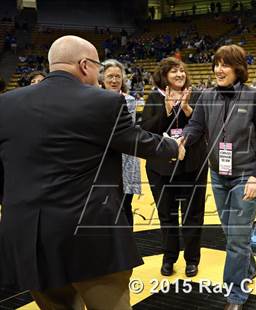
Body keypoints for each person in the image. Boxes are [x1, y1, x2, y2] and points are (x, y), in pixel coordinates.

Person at [0, 35, 184, 310]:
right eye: (98, 68)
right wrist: (173, 147)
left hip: (29, 237)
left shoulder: (6, 104)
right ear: (84, 64)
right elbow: (137, 141)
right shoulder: (103, 102)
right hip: (89, 236)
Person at [182, 44, 256, 309]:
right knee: (234, 234)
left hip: (247, 175)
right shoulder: (206, 96)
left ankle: (235, 294)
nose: (219, 69)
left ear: (238, 69)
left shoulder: (254, 97)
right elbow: (195, 127)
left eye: (225, 64)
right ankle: (249, 267)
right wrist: (179, 143)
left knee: (235, 236)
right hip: (218, 175)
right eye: (216, 63)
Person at [140, 57, 208, 277]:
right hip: (161, 169)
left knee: (192, 215)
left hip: (192, 166)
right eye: (173, 71)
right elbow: (147, 130)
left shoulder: (196, 95)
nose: (179, 74)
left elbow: (204, 128)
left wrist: (187, 109)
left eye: (181, 70)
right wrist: (167, 110)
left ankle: (192, 260)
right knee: (166, 216)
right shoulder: (153, 97)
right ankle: (169, 258)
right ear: (164, 76)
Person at [100, 59, 141, 227]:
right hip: (101, 160)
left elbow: (125, 132)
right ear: (102, 78)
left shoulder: (130, 100)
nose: (114, 80)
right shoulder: (92, 99)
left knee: (125, 206)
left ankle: (126, 248)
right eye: (110, 76)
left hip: (126, 161)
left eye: (118, 76)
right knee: (103, 207)